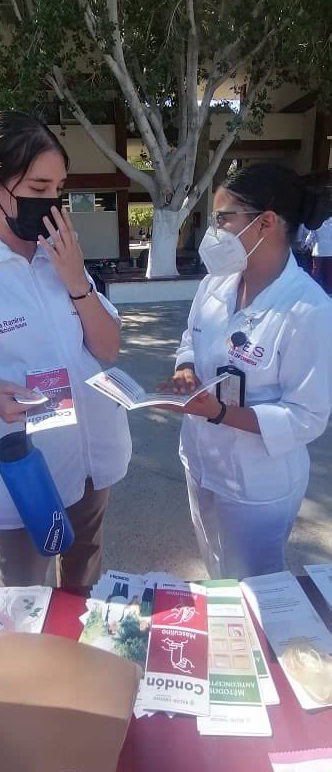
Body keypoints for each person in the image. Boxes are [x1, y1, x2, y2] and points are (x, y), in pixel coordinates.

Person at [0, 111, 131, 587]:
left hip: (92, 460)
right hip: (27, 475)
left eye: (59, 189)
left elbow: (107, 349)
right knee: (22, 601)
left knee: (83, 582)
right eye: (39, 188)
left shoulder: (59, 253)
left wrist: (75, 281)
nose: (53, 203)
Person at [158, 163, 332, 580]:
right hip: (201, 463)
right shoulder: (215, 284)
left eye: (222, 219)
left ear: (266, 223)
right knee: (217, 573)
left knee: (254, 587)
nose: (212, 231)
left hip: (257, 485)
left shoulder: (309, 310)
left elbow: (307, 417)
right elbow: (191, 337)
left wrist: (219, 413)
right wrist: (185, 369)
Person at [307, 216, 332, 295]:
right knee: (329, 272)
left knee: (316, 272)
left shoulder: (316, 225)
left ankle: (313, 290)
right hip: (330, 251)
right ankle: (329, 291)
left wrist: (307, 245)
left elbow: (309, 239)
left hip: (318, 251)